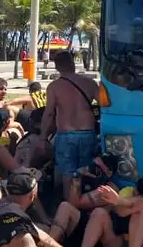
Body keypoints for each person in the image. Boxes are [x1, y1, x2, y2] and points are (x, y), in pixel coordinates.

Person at [41, 51, 100, 198]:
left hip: (66, 135)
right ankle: (85, 206)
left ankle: (69, 208)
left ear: (57, 67)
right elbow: (105, 106)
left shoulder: (54, 87)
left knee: (68, 175)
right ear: (73, 63)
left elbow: (49, 113)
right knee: (87, 172)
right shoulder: (90, 83)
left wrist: (43, 136)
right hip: (88, 133)